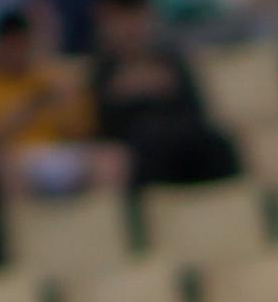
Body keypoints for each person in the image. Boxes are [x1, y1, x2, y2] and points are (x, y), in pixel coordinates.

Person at [0, 4, 109, 200]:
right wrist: (32, 104)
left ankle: (104, 219)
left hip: (57, 151)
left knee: (109, 160)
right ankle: (21, 221)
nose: (15, 51)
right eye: (8, 44)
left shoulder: (52, 75)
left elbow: (84, 131)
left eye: (20, 44)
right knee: (5, 165)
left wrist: (64, 103)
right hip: (15, 157)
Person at [87, 20, 246, 186]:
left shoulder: (170, 61)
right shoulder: (104, 70)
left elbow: (196, 109)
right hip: (142, 147)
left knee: (216, 142)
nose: (131, 32)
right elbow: (104, 124)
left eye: (136, 24)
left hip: (185, 140)